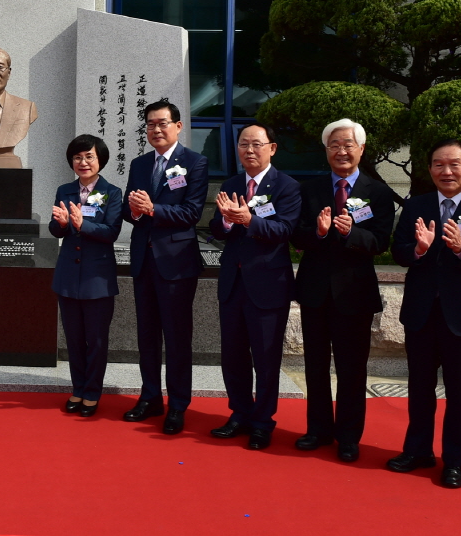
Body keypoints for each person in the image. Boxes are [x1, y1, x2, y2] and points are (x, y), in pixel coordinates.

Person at [389, 138, 461, 488]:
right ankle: (418, 449)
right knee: (419, 386)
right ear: (430, 169)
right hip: (422, 312)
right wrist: (420, 250)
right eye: (439, 164)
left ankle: (454, 460)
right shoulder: (416, 206)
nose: (446, 171)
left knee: (459, 390)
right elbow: (398, 252)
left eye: (454, 164)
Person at [292, 118, 395, 462]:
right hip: (315, 290)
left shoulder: (378, 192)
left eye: (348, 145)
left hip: (355, 292)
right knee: (315, 364)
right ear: (326, 151)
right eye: (334, 145)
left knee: (352, 368)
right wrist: (319, 232)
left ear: (361, 149)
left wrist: (352, 232)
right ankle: (318, 430)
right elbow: (297, 236)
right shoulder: (309, 190)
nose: (341, 151)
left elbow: (380, 241)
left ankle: (349, 436)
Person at [207, 122, 300, 450]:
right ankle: (239, 413)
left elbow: (285, 230)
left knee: (265, 358)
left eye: (256, 144)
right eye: (243, 144)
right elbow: (214, 228)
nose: (249, 150)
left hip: (268, 286)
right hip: (233, 283)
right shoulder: (231, 183)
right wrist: (226, 221)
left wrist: (249, 220)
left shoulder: (286, 186)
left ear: (272, 148)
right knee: (232, 355)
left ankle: (263, 422)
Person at [121, 99, 209, 435]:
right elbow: (132, 211)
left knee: (176, 336)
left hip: (176, 263)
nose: (156, 130)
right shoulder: (140, 163)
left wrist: (153, 209)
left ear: (177, 126)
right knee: (146, 335)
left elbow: (191, 214)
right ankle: (150, 396)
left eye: (162, 123)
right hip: (144, 260)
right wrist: (138, 210)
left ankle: (178, 405)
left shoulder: (195, 163)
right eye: (150, 125)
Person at [49, 134, 123, 417]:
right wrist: (63, 223)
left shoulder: (112, 192)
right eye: (78, 157)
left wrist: (83, 225)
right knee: (74, 339)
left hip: (97, 278)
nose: (83, 162)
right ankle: (77, 389)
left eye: (89, 157)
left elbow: (111, 232)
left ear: (100, 160)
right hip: (68, 275)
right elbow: (56, 230)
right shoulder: (64, 190)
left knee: (97, 339)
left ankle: (92, 392)